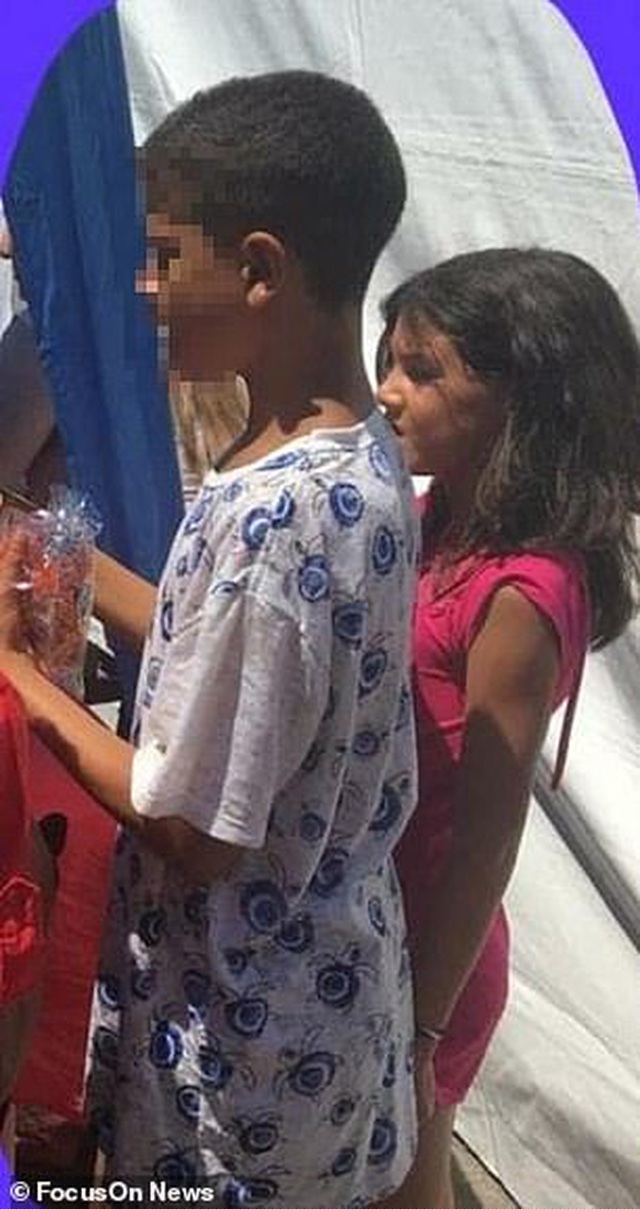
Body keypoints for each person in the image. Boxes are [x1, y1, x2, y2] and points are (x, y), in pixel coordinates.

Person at [0, 71, 420, 1206]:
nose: (143, 285)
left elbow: (192, 828)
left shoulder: (270, 519)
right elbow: (226, 641)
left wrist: (20, 681)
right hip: (327, 1004)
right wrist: (71, 568)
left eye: (163, 255)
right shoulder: (357, 461)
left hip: (238, 1059)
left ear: (259, 271)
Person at [374, 247, 640, 1209]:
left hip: (428, 957)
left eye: (422, 371)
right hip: (376, 924)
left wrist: (422, 1026)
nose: (387, 391)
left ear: (523, 405)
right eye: (389, 362)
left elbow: (488, 841)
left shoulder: (521, 591)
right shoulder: (436, 520)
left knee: (403, 1181)